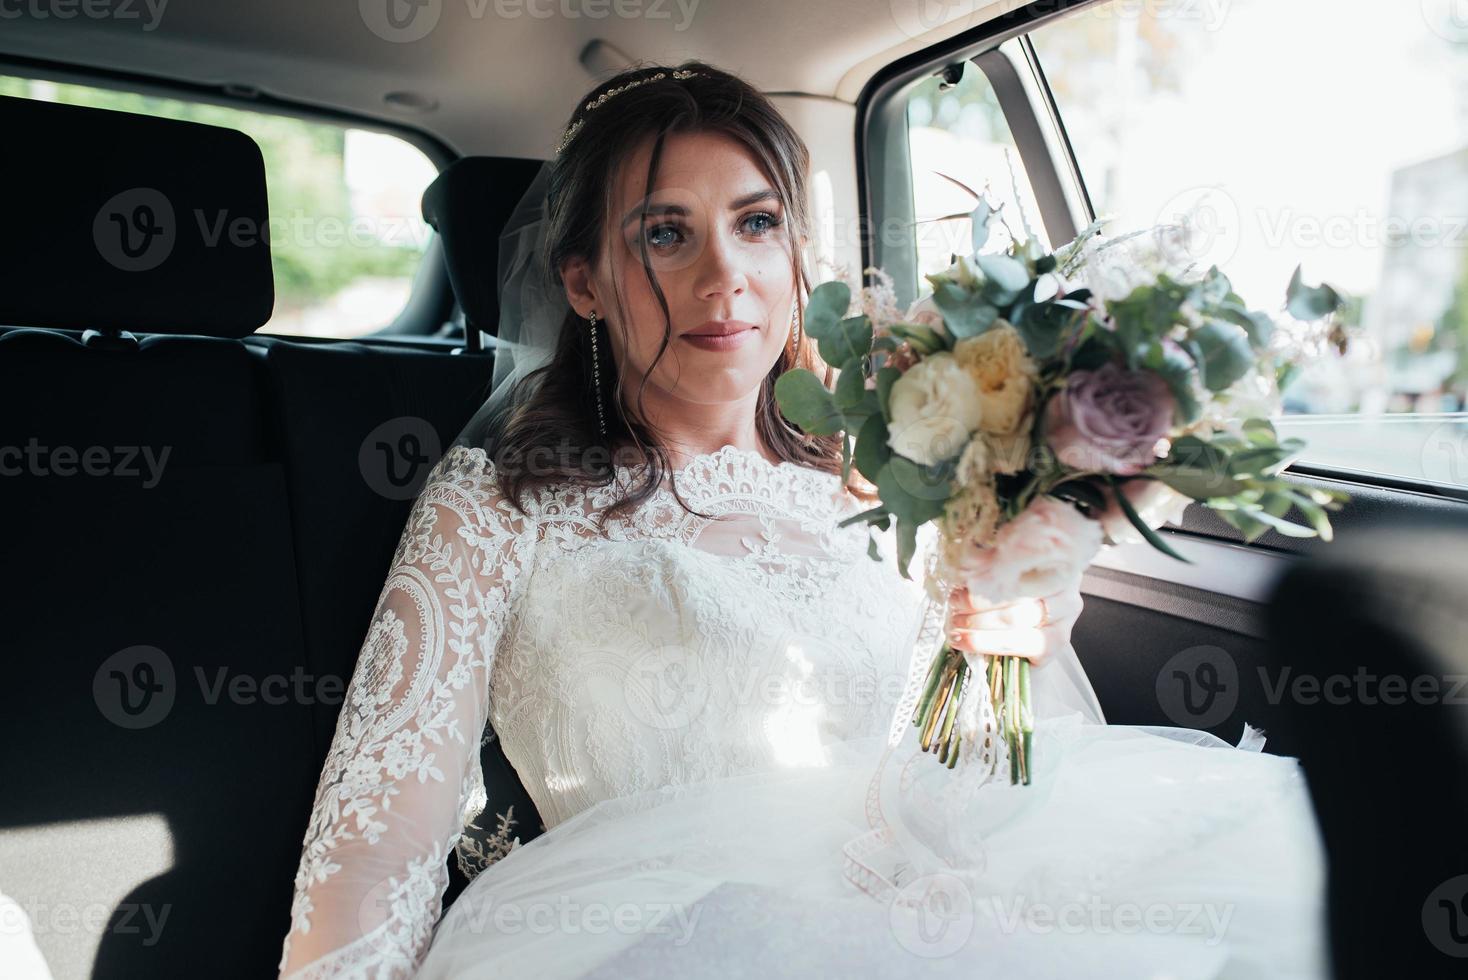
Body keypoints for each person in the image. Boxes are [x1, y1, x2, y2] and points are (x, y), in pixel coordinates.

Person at [276, 62, 1327, 979]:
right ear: (585, 283)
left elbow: (987, 771)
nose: (723, 273)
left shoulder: (893, 479)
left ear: (793, 256)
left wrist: (1016, 627)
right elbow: (374, 850)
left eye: (756, 221)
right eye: (663, 233)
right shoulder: (496, 505)